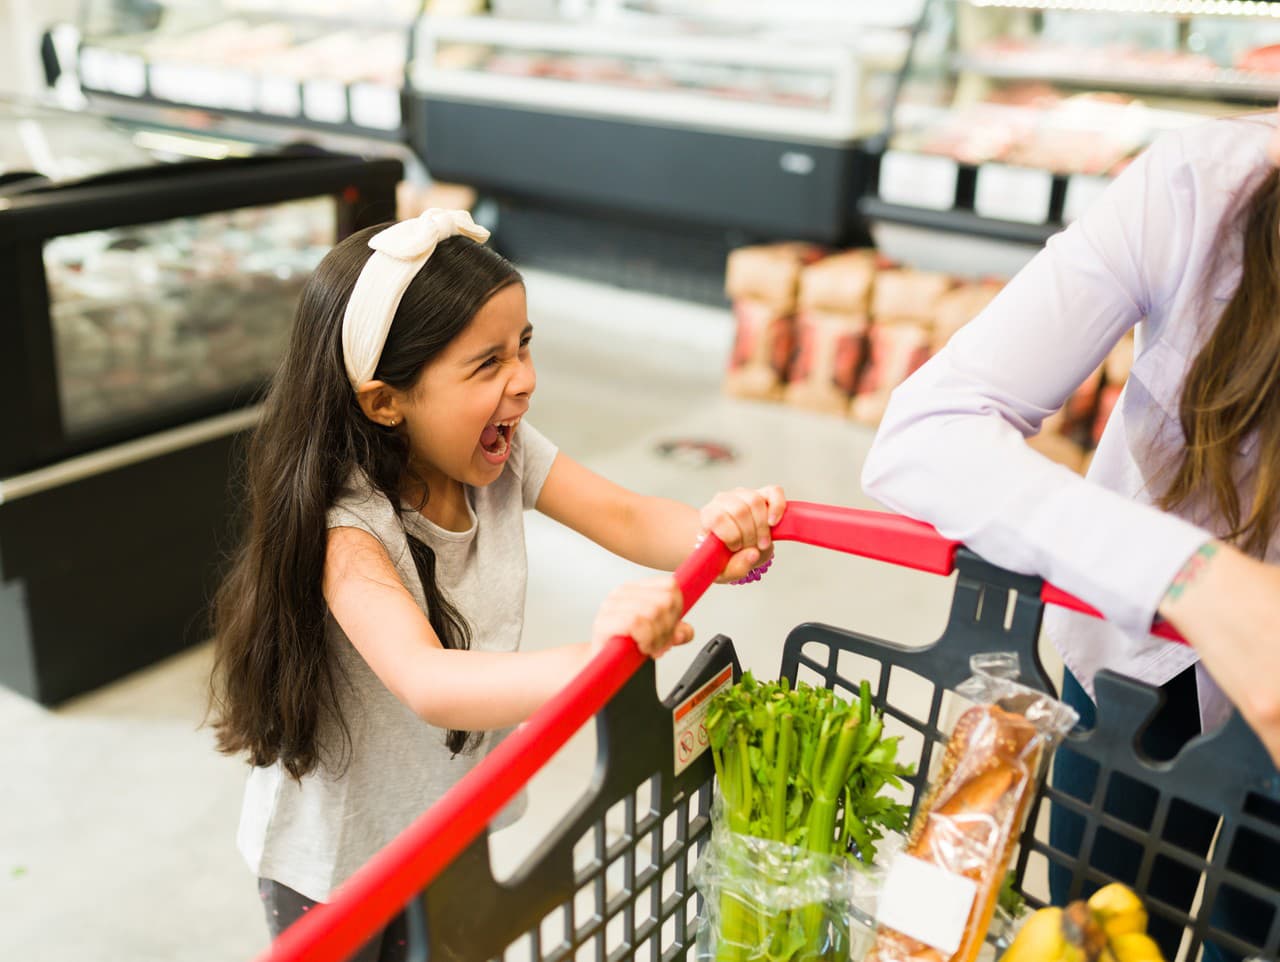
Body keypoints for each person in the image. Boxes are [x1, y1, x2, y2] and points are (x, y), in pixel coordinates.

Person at [207, 209, 786, 962]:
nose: (525, 380)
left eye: (524, 347)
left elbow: (626, 513)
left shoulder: (502, 460)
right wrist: (599, 656)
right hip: (337, 866)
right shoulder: (347, 531)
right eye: (488, 364)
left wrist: (718, 534)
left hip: (448, 827)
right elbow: (429, 681)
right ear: (386, 401)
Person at [862, 111, 1280, 962]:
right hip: (1133, 665)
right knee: (1098, 926)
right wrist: (1189, 575)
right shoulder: (1203, 185)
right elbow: (925, 434)